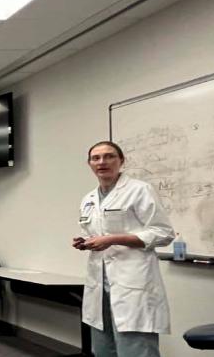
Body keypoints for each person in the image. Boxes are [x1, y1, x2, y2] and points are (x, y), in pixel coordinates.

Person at [74, 141, 173, 357]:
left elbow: (164, 233)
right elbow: (99, 233)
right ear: (89, 164)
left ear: (121, 161)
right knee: (103, 350)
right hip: (99, 287)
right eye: (96, 158)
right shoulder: (89, 199)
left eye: (109, 156)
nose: (102, 162)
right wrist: (86, 241)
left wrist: (113, 239)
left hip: (133, 285)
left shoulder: (139, 190)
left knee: (136, 351)